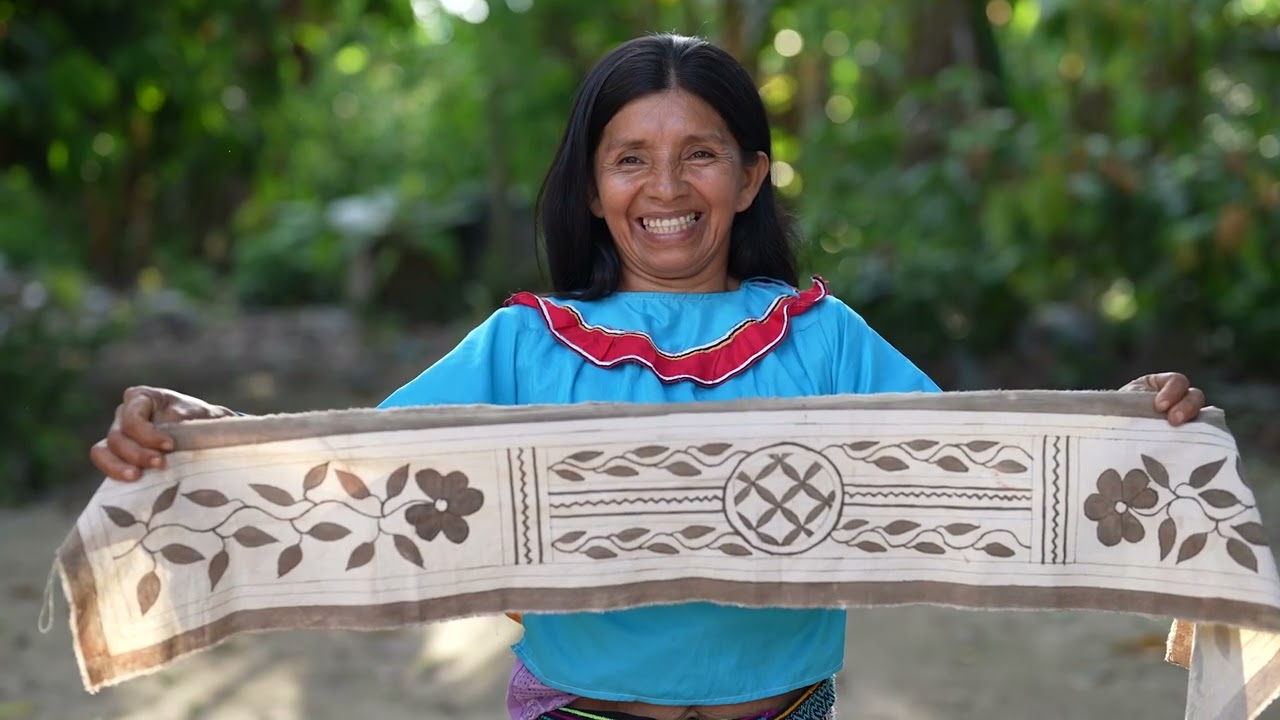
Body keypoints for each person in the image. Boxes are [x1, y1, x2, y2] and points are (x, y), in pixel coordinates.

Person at [90, 34, 1208, 720]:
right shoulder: (520, 345)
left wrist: (1130, 430)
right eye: (631, 158)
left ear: (750, 176)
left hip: (785, 715)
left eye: (699, 154)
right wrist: (196, 433)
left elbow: (983, 466)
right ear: (591, 187)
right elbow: (351, 472)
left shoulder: (823, 338)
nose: (665, 187)